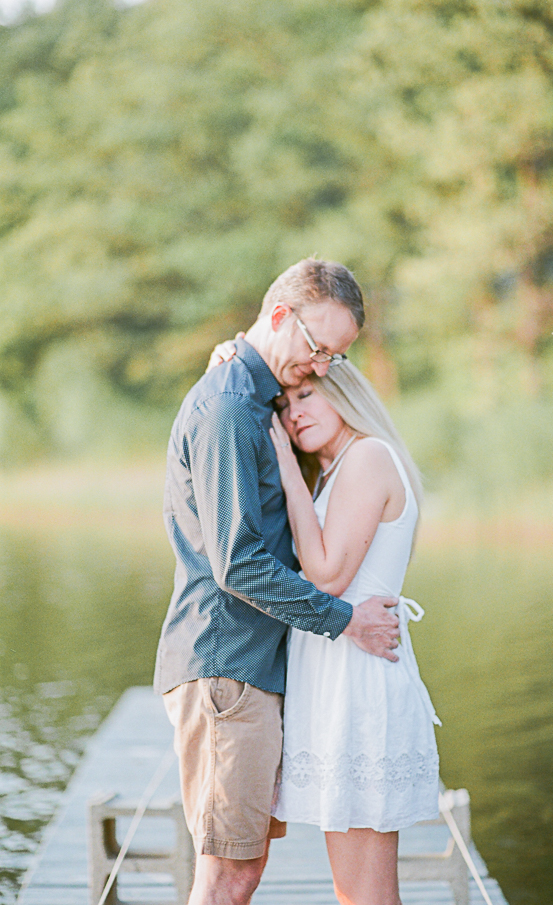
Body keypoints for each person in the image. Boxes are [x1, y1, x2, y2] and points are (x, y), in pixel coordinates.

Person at [154, 259, 401, 905]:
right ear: (280, 316)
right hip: (226, 666)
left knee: (243, 865)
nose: (321, 366)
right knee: (228, 873)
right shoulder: (233, 405)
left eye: (335, 359)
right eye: (318, 348)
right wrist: (346, 619)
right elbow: (237, 564)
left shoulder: (248, 393)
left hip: (249, 669)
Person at [268, 362, 441, 905]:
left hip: (358, 679)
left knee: (363, 891)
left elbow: (327, 574)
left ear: (342, 392)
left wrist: (287, 471)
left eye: (307, 395)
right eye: (284, 406)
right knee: (357, 888)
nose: (295, 414)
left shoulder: (366, 456)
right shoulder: (338, 467)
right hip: (337, 674)